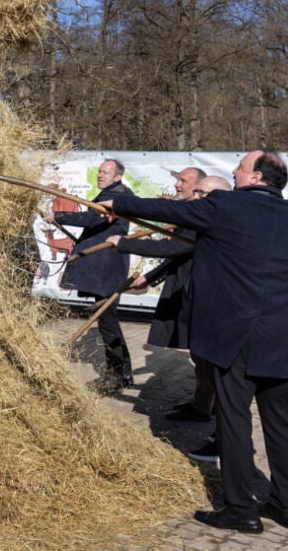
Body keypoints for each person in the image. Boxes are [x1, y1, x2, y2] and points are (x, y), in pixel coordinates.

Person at [102, 150, 288, 534]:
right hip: (283, 337)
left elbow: (169, 212)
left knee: (233, 420)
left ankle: (240, 510)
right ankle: (286, 505)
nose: (234, 170)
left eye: (241, 167)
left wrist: (117, 202)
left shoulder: (225, 206)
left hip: (236, 338)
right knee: (282, 425)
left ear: (257, 178)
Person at [111, 173, 233, 463]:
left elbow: (174, 248)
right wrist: (149, 277)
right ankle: (201, 407)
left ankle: (222, 434)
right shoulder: (196, 215)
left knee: (214, 368)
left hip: (210, 300)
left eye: (185, 183)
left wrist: (124, 242)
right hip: (195, 294)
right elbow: (178, 255)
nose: (178, 186)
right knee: (200, 360)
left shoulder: (210, 216)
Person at [45, 158, 135, 390]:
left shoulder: (119, 195)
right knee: (107, 320)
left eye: (106, 172)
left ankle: (117, 375)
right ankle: (122, 373)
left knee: (106, 321)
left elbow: (93, 218)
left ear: (117, 176)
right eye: (100, 172)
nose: (100, 175)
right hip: (105, 269)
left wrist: (59, 216)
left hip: (107, 270)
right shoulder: (113, 192)